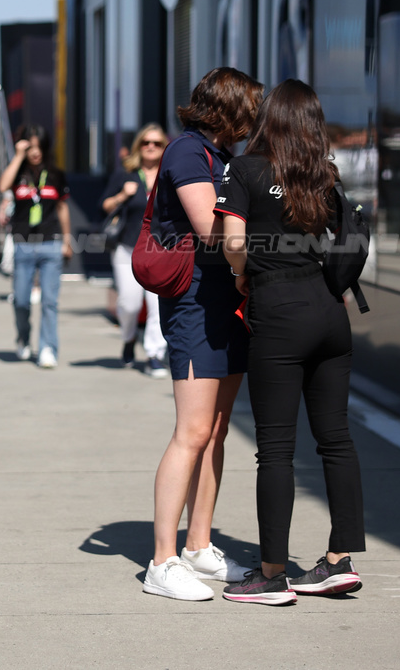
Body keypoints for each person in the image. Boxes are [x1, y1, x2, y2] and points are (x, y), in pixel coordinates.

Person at [216, 79, 366, 604]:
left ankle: (273, 574)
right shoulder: (323, 175)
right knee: (336, 439)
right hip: (330, 312)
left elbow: (233, 242)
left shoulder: (245, 169)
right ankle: (338, 560)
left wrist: (241, 272)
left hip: (278, 312)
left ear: (268, 119)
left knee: (276, 449)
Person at [142, 67, 259, 601]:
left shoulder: (224, 157)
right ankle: (162, 561)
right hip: (194, 304)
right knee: (191, 431)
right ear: (228, 108)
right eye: (250, 107)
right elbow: (212, 229)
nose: (255, 117)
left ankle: (198, 545)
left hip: (226, 304)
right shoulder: (188, 152)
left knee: (216, 430)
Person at [0, 124, 71, 368]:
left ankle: (48, 348)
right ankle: (23, 337)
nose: (35, 152)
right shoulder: (18, 173)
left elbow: (62, 208)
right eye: (30, 147)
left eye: (39, 147)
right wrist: (18, 156)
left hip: (51, 243)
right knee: (21, 300)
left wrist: (67, 241)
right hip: (23, 244)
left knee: (50, 301)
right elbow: (2, 186)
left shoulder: (55, 174)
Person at [100, 124, 169, 377]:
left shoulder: (169, 175)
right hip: (127, 248)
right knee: (129, 304)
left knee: (157, 306)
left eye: (157, 143)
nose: (151, 147)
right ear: (139, 146)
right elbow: (105, 206)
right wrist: (121, 196)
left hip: (160, 251)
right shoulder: (125, 174)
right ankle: (129, 339)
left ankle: (154, 355)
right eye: (146, 143)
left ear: (164, 148)